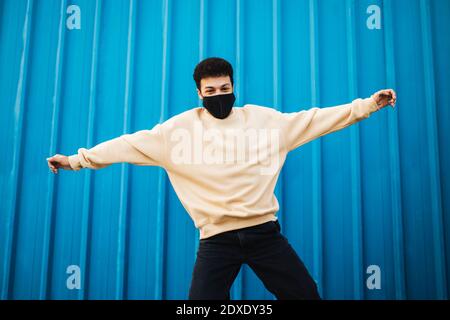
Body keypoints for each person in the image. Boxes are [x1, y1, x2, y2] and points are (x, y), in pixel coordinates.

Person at [47, 57, 396, 300]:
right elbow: (124, 145)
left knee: (305, 295)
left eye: (224, 88)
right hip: (216, 240)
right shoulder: (175, 133)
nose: (218, 96)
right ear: (199, 94)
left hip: (265, 235)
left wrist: (369, 104)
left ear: (234, 86)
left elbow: (318, 119)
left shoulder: (267, 122)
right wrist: (76, 161)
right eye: (210, 91)